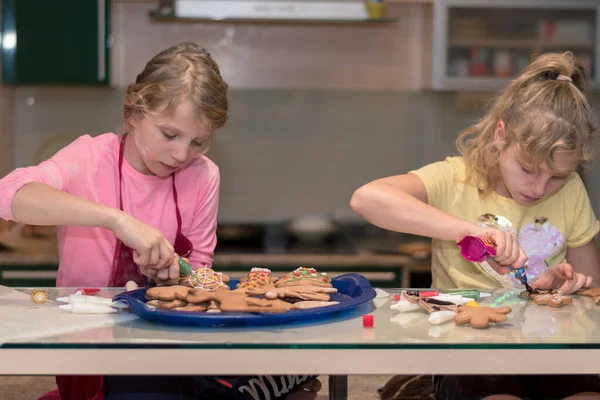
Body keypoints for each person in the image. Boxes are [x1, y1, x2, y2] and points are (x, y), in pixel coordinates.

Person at [0, 42, 320, 400]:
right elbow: (9, 194)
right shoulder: (91, 158)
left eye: (199, 142)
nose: (182, 155)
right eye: (170, 135)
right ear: (134, 112)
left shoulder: (203, 176)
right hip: (89, 353)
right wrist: (117, 220)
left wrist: (172, 273)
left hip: (171, 353)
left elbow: (199, 276)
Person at [350, 51, 600, 400]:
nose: (540, 188)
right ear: (501, 135)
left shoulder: (572, 191)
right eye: (528, 169)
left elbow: (591, 293)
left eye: (557, 176)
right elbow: (366, 199)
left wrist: (570, 286)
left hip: (554, 354)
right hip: (470, 355)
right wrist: (469, 230)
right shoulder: (455, 178)